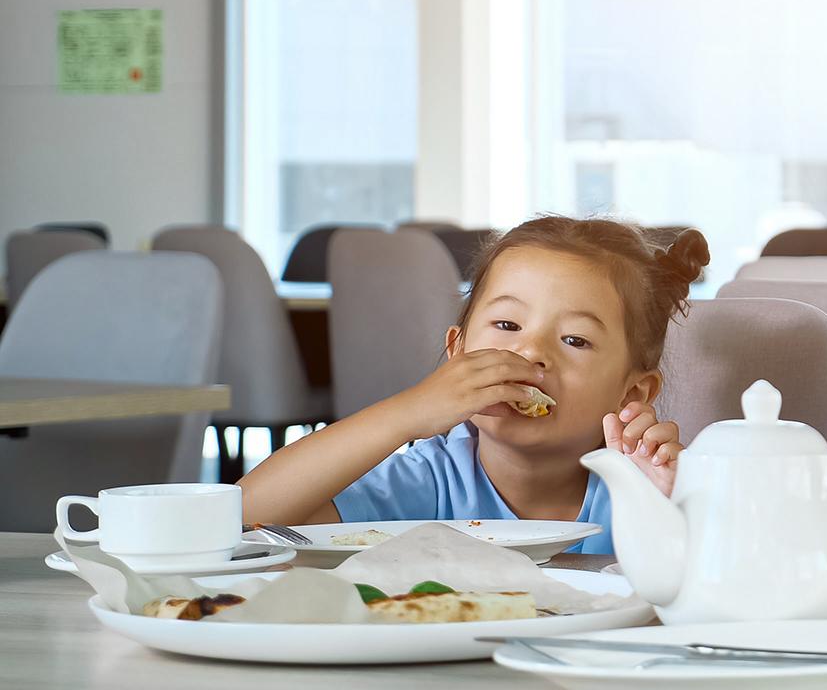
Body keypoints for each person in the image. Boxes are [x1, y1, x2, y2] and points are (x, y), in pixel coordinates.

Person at [239, 217, 708, 555]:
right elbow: (243, 516)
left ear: (633, 394)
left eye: (575, 339)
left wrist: (682, 504)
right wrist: (408, 414)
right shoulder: (433, 480)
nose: (531, 353)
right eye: (506, 323)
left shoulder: (638, 491)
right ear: (457, 353)